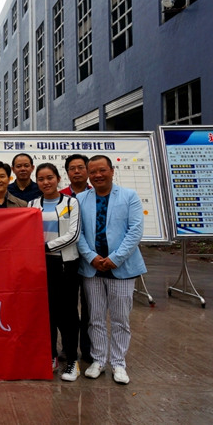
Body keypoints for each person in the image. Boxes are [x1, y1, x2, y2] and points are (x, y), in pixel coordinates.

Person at [77, 155, 146, 385]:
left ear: (112, 171)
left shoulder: (129, 196)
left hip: (122, 268)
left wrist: (115, 259)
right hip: (92, 269)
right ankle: (98, 360)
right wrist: (91, 257)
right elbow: (78, 233)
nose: (97, 175)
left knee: (120, 319)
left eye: (102, 170)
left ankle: (118, 363)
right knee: (95, 318)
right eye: (93, 172)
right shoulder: (80, 199)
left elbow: (135, 231)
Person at [28, 163, 81, 381]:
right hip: (41, 266)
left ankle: (72, 360)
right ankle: (50, 356)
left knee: (67, 314)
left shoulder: (71, 202)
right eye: (41, 179)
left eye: (50, 177)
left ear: (58, 178)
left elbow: (74, 234)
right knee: (46, 313)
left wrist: (45, 247)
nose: (46, 182)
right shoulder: (32, 204)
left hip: (65, 264)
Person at [59, 154, 92, 363]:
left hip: (91, 260)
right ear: (67, 172)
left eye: (81, 167)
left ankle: (88, 350)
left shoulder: (96, 193)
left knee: (90, 308)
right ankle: (68, 348)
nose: (77, 171)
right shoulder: (59, 196)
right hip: (66, 260)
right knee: (68, 308)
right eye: (72, 168)